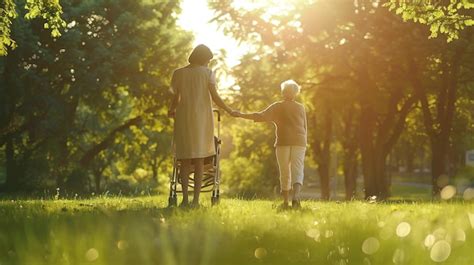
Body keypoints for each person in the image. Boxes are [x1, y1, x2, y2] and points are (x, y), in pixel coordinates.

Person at [168, 44, 236, 208]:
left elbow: (175, 96)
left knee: (184, 160)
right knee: (199, 160)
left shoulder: (178, 73)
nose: (208, 63)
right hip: (202, 118)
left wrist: (171, 110)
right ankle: (196, 201)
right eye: (208, 60)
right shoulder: (208, 74)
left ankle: (184, 199)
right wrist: (228, 109)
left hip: (183, 118)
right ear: (204, 59)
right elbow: (215, 96)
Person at [236, 80, 307, 209]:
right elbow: (305, 127)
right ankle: (296, 198)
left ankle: (285, 201)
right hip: (300, 142)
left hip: (283, 142)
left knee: (284, 171)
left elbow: (260, 116)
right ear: (295, 93)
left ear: (283, 92)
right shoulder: (300, 107)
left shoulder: (277, 107)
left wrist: (240, 115)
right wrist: (303, 142)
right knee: (298, 169)